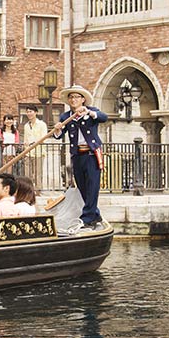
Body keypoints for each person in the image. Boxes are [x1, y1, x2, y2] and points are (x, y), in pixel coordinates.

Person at [53, 85, 108, 230]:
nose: (73, 100)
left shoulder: (92, 112)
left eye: (76, 97)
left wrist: (88, 112)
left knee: (92, 186)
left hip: (91, 154)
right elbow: (58, 136)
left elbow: (104, 117)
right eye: (71, 97)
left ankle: (87, 218)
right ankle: (95, 215)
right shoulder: (66, 116)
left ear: (83, 100)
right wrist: (58, 129)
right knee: (82, 187)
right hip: (77, 155)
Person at [23, 106, 48, 188]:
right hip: (28, 152)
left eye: (31, 111)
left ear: (36, 112)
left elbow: (43, 138)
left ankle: (38, 190)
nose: (29, 113)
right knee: (27, 173)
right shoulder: (26, 125)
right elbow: (25, 138)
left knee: (38, 173)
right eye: (27, 112)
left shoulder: (42, 124)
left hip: (39, 152)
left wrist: (34, 142)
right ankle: (28, 189)